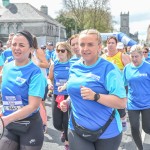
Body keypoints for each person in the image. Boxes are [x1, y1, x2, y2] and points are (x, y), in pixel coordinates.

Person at [60, 29, 127, 150]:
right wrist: (68, 101)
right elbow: (76, 91)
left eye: (90, 44)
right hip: (77, 128)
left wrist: (96, 96)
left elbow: (121, 102)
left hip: (107, 132)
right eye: (82, 44)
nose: (85, 48)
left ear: (99, 47)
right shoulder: (74, 67)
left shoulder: (109, 69)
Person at [0, 30, 46, 150]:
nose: (16, 48)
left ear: (31, 49)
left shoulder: (35, 73)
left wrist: (6, 119)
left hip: (29, 126)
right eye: (14, 44)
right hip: (9, 125)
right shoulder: (7, 67)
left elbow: (33, 106)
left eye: (21, 45)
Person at [123, 45, 150, 150]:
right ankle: (140, 148)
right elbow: (123, 85)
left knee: (147, 128)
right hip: (132, 103)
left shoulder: (148, 67)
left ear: (142, 55)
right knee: (134, 128)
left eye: (136, 56)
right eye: (132, 56)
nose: (134, 59)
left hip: (147, 103)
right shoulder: (127, 68)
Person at [101, 36, 130, 131]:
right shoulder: (103, 57)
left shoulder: (122, 56)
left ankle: (123, 118)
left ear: (116, 44)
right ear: (106, 44)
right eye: (109, 43)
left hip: (120, 86)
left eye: (113, 43)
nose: (110, 45)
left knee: (119, 107)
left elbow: (130, 71)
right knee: (107, 106)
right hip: (107, 86)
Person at [48, 41, 73, 150]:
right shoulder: (54, 64)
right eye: (58, 50)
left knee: (66, 120)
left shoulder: (72, 64)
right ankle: (63, 130)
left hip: (68, 96)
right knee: (56, 123)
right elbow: (50, 78)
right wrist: (49, 84)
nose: (60, 53)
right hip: (57, 95)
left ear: (67, 52)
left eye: (62, 50)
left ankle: (67, 142)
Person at [31, 35, 49, 133]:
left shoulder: (38, 51)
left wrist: (35, 63)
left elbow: (47, 64)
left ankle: (44, 123)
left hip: (41, 81)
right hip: (31, 82)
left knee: (41, 103)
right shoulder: (27, 52)